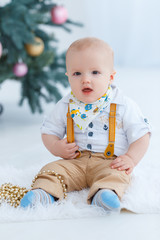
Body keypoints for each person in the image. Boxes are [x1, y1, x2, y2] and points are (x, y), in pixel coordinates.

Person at [20, 37, 151, 212]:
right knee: (52, 169)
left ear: (110, 77)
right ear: (68, 77)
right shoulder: (66, 104)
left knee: (118, 175)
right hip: (75, 162)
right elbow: (49, 131)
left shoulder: (123, 105)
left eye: (95, 72)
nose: (85, 80)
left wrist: (130, 159)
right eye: (77, 73)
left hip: (109, 162)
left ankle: (104, 194)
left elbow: (141, 135)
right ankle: (44, 193)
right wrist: (56, 146)